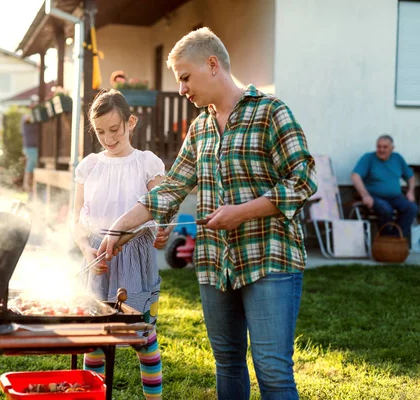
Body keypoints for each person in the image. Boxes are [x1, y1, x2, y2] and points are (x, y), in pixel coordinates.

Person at [97, 27, 317, 399]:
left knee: (273, 371)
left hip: (270, 260)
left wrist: (242, 213)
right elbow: (169, 190)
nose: (182, 89)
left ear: (212, 65)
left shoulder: (270, 112)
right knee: (227, 362)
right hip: (215, 264)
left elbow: (304, 179)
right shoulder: (200, 128)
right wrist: (117, 230)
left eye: (185, 77)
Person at [73, 89, 169, 400]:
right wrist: (87, 249)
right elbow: (76, 220)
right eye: (100, 132)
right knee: (95, 337)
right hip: (98, 257)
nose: (108, 138)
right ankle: (92, 396)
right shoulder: (89, 166)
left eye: (114, 129)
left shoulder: (146, 162)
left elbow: (162, 205)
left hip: (135, 256)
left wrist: (162, 227)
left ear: (131, 122)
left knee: (143, 336)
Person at [351, 134, 418, 242]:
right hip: (375, 196)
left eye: (385, 147)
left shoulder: (397, 158)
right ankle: (385, 240)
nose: (381, 150)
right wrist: (365, 195)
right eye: (379, 146)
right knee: (386, 209)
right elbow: (355, 176)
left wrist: (410, 192)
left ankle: (397, 239)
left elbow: (410, 176)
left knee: (412, 208)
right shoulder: (368, 158)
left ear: (392, 148)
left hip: (396, 197)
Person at [22, 113, 39, 193]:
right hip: (31, 148)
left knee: (31, 166)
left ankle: (28, 185)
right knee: (32, 166)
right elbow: (26, 117)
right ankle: (28, 185)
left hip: (29, 148)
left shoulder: (26, 126)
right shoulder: (28, 126)